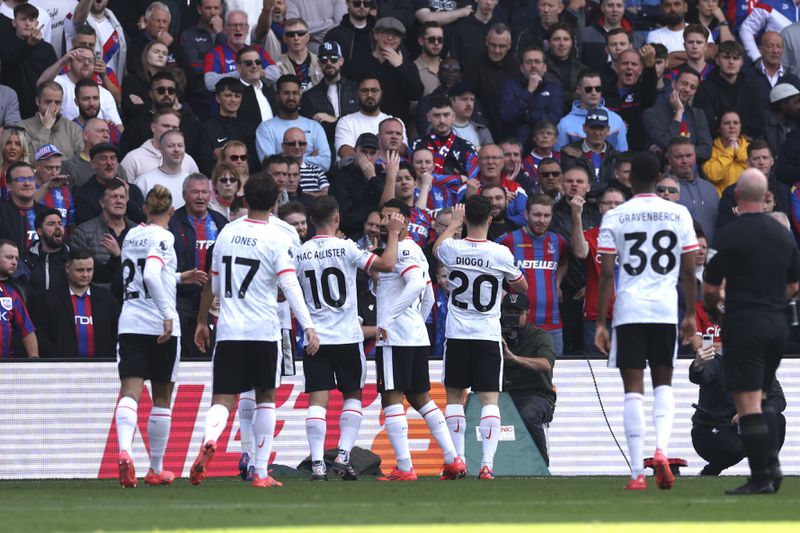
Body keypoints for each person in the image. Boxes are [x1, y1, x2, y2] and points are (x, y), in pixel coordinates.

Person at [188, 174, 319, 489]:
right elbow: (289, 285)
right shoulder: (278, 238)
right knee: (265, 398)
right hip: (264, 330)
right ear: (276, 202)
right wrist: (309, 326)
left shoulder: (227, 233)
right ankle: (260, 472)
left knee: (223, 397)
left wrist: (204, 319)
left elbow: (216, 285)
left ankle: (210, 439)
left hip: (230, 328)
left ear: (244, 200)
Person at [595, 152, 699, 491]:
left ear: (629, 178)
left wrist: (600, 322)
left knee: (633, 392)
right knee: (664, 384)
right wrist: (688, 313)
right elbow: (688, 270)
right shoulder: (679, 212)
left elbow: (607, 273)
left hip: (629, 311)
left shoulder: (616, 216)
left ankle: (638, 473)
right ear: (659, 177)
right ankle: (662, 450)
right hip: (665, 309)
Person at [702, 168, 798, 494]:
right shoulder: (783, 234)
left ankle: (762, 479)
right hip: (777, 325)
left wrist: (715, 309)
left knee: (748, 403)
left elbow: (711, 288)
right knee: (763, 395)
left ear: (738, 197)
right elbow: (795, 284)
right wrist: (774, 303)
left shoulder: (729, 234)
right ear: (766, 197)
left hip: (745, 323)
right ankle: (771, 467)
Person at [296, 196, 402, 480]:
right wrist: (392, 233)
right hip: (346, 336)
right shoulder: (346, 248)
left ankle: (318, 463)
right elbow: (388, 264)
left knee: (317, 400)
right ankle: (343, 455)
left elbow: (286, 292)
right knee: (352, 394)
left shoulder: (300, 252)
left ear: (311, 222)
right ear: (337, 219)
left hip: (315, 338)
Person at [114, 185, 205, 488]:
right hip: (159, 325)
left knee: (130, 392)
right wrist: (167, 313)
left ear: (144, 210)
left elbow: (144, 275)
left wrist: (179, 277)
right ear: (171, 211)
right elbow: (152, 275)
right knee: (162, 398)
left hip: (130, 321)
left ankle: (125, 451)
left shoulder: (131, 235)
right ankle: (155, 468)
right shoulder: (163, 236)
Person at [374, 198, 467, 481]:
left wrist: (388, 319)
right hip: (414, 335)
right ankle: (453, 460)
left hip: (395, 337)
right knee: (421, 399)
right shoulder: (414, 248)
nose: (383, 222)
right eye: (382, 216)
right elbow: (427, 294)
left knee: (391, 399)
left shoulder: (400, 249)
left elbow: (416, 284)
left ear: (403, 219)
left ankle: (404, 467)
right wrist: (416, 320)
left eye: (390, 216)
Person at [434, 197, 526, 479]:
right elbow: (520, 285)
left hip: (458, 334)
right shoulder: (500, 253)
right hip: (486, 335)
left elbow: (437, 247)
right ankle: (487, 464)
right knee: (489, 400)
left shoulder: (451, 248)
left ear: (465, 218)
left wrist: (454, 225)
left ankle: (458, 460)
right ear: (490, 219)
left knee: (453, 398)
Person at [690, 341, 787, 476]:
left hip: (743, 427)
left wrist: (749, 412)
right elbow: (700, 377)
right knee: (735, 448)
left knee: (777, 419)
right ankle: (709, 472)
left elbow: (778, 400)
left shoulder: (760, 364)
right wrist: (697, 365)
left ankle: (766, 473)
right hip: (710, 428)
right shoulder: (716, 359)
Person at [497, 194, 568, 355]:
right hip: (518, 324)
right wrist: (501, 293)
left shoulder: (558, 241)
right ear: (526, 215)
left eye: (546, 215)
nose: (541, 220)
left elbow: (564, 263)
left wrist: (557, 282)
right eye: (536, 215)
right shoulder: (508, 240)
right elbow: (488, 268)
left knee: (555, 375)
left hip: (553, 323)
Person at [168, 173, 227, 357]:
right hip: (181, 298)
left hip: (213, 301)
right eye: (195, 192)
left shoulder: (221, 223)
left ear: (211, 195)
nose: (200, 197)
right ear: (184, 195)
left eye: (204, 192)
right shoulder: (172, 223)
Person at [29, 247, 120, 358]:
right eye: (80, 270)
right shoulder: (48, 299)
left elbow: (118, 331)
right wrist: (56, 359)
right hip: (61, 369)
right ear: (67, 268)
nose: (86, 275)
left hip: (101, 369)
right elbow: (40, 334)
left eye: (89, 270)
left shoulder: (107, 299)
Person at [500, 292, 556, 465]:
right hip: (500, 396)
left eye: (518, 313)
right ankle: (481, 466)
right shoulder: (493, 333)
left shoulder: (540, 336)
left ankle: (540, 465)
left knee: (527, 415)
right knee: (476, 413)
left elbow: (546, 364)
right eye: (509, 312)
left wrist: (513, 358)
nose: (513, 317)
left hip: (537, 395)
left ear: (527, 314)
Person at [570, 186, 627, 355]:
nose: (612, 207)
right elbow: (580, 252)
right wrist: (576, 216)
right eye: (608, 203)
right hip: (596, 317)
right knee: (597, 374)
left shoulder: (636, 237)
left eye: (618, 203)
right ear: (600, 207)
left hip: (629, 316)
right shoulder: (591, 235)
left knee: (628, 372)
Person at [69, 178, 135, 290]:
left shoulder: (138, 232)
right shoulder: (83, 233)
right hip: (100, 300)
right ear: (102, 202)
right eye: (114, 197)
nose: (119, 201)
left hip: (132, 300)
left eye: (122, 197)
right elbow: (82, 273)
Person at [255, 74, 331, 171]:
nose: (291, 97)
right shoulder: (265, 128)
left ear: (300, 96)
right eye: (286, 93)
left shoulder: (314, 126)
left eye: (295, 93)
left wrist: (284, 157)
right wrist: (310, 158)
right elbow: (270, 165)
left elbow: (325, 163)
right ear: (277, 96)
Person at [693, 40, 766, 139]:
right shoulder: (705, 88)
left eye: (735, 58)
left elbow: (759, 123)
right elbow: (705, 123)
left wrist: (723, 123)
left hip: (748, 145)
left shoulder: (752, 87)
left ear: (741, 62)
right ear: (718, 61)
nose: (731, 62)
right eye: (726, 57)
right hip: (715, 146)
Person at [299, 41, 359, 156]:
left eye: (333, 59)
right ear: (319, 63)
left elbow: (361, 122)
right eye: (324, 60)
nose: (329, 63)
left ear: (341, 61)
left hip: (356, 152)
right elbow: (313, 132)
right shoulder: (309, 96)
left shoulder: (356, 90)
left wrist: (334, 120)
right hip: (325, 154)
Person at [0, 3, 57, 119]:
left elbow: (50, 80)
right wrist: (28, 45)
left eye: (31, 19)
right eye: (23, 19)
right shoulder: (5, 45)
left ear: (37, 24)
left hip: (36, 110)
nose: (27, 23)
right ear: (14, 23)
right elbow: (8, 63)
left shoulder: (47, 49)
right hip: (7, 109)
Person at [462, 23, 518, 139]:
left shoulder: (516, 66)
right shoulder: (473, 66)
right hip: (482, 128)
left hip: (511, 129)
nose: (496, 50)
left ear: (509, 46)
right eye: (493, 45)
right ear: (486, 42)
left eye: (502, 46)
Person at [643, 67, 712, 161]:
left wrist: (677, 153)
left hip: (693, 172)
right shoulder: (651, 113)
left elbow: (706, 150)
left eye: (693, 87)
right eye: (684, 84)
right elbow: (665, 143)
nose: (687, 89)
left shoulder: (698, 114)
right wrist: (679, 112)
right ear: (673, 84)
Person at [499, 46, 564, 146]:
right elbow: (508, 116)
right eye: (528, 62)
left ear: (545, 67)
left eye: (537, 62)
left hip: (544, 146)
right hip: (517, 147)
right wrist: (529, 90)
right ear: (521, 68)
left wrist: (526, 114)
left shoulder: (554, 88)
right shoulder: (509, 86)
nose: (533, 65)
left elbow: (554, 118)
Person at [556, 70, 628, 152]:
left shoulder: (616, 120)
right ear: (578, 90)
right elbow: (559, 157)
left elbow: (623, 156)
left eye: (598, 88)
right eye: (588, 89)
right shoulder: (565, 124)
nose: (594, 92)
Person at [74, 143, 145, 227]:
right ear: (93, 164)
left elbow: (142, 222)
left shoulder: (132, 190)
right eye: (103, 158)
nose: (109, 163)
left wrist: (127, 200)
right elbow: (85, 226)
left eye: (113, 158)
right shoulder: (82, 193)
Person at [18, 82, 83, 159]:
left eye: (57, 102)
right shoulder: (22, 127)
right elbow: (27, 158)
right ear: (37, 101)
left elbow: (80, 162)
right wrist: (46, 128)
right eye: (48, 102)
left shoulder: (73, 128)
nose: (53, 107)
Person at [0, 162, 50, 259]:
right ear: (9, 186)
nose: (27, 183)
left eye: (31, 179)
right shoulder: (2, 213)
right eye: (21, 179)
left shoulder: (47, 213)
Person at [134, 130, 191, 209]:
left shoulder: (191, 181)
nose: (176, 149)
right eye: (171, 146)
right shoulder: (144, 181)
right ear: (161, 149)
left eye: (180, 145)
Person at [0, 239, 38, 357]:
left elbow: (27, 331)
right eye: (9, 257)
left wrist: (34, 361)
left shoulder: (12, 294)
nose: (15, 262)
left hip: (5, 369)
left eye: (16, 258)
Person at [702, 111, 749, 195]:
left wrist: (738, 151)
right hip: (721, 203)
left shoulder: (750, 148)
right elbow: (713, 175)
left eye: (736, 123)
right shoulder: (710, 151)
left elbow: (757, 170)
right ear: (719, 128)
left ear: (740, 127)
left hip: (748, 200)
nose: (732, 126)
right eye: (727, 123)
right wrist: (730, 150)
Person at [24, 208, 68, 294]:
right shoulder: (27, 260)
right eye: (51, 224)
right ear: (40, 231)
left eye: (60, 223)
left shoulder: (73, 258)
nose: (58, 227)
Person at [276, 18, 322, 92]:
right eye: (291, 34)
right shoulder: (278, 66)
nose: (296, 38)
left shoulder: (320, 63)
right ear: (284, 39)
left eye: (300, 33)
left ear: (308, 37)